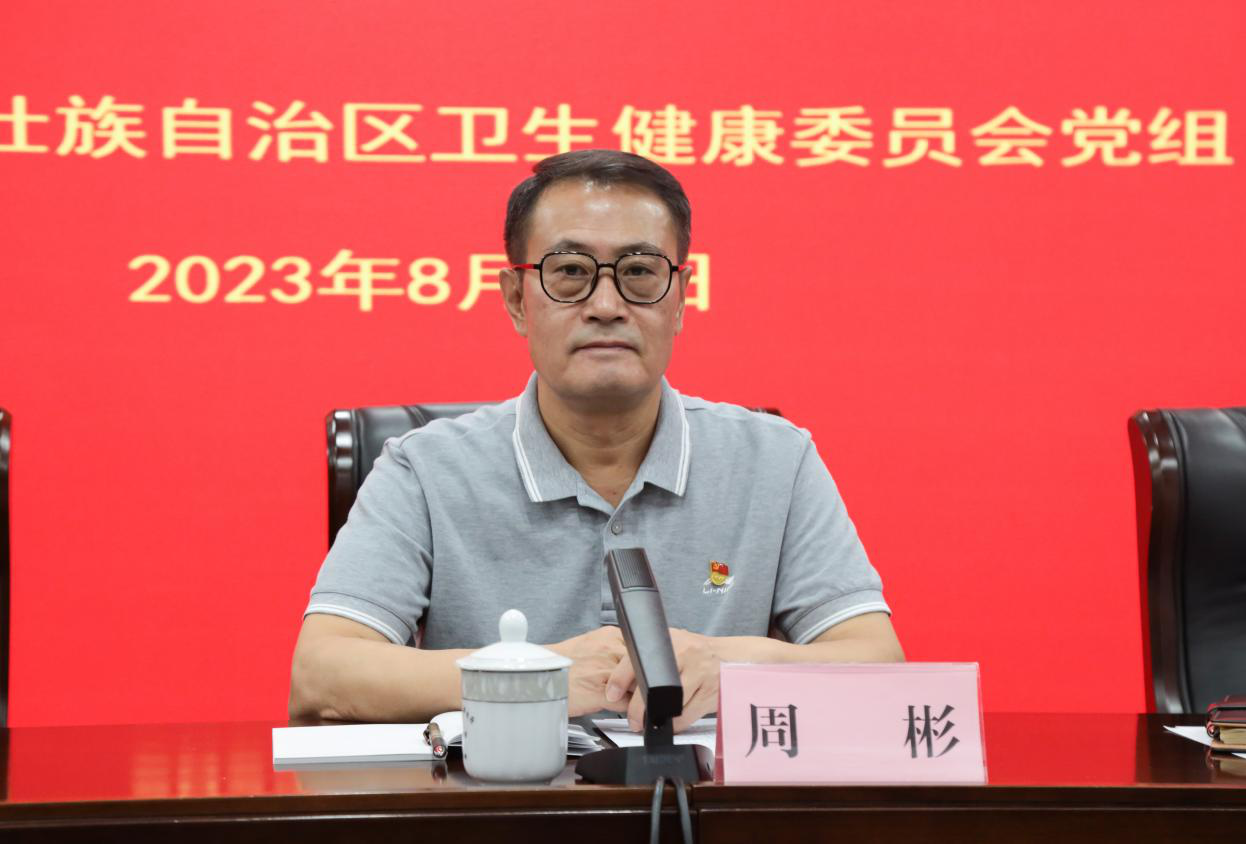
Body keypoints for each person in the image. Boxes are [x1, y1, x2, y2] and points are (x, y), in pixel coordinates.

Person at [289, 149, 903, 732]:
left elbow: (879, 665)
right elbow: (321, 674)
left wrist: (733, 667)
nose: (606, 305)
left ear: (680, 300)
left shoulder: (776, 461)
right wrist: (539, 673)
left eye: (639, 272)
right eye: (571, 272)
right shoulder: (424, 470)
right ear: (517, 300)